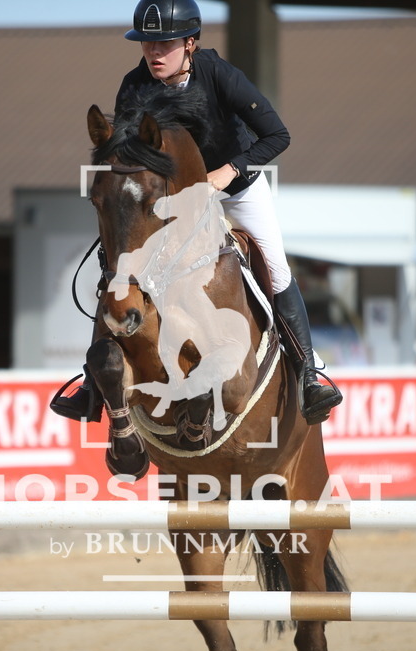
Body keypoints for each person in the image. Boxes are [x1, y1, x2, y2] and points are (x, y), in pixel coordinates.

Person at [51, 0, 342, 425]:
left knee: (275, 268)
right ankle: (93, 385)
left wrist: (229, 170)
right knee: (119, 269)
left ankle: (310, 375)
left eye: (165, 43)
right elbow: (128, 154)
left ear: (190, 43)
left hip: (235, 191)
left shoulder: (218, 75)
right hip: (173, 200)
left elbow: (277, 135)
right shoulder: (134, 86)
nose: (154, 53)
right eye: (148, 44)